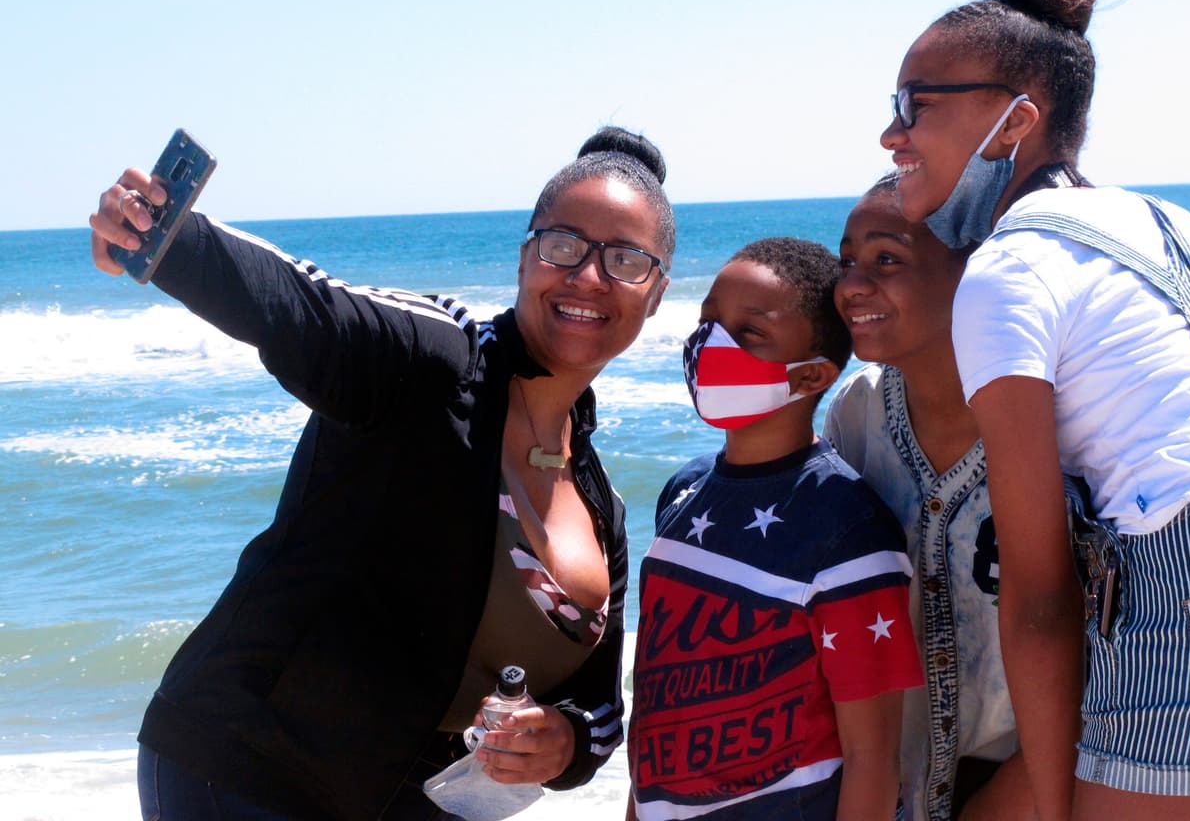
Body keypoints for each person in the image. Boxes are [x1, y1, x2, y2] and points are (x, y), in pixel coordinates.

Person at [88, 126, 675, 821]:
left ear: (656, 293)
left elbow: (600, 707)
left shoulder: (602, 506)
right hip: (248, 772)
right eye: (564, 245)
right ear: (526, 258)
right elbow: (303, 306)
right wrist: (167, 236)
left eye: (626, 260)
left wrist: (565, 740)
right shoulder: (435, 360)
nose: (588, 277)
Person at [879, 0, 1190, 821]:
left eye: (916, 104)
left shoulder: (1010, 269)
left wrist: (1054, 804)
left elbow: (1039, 597)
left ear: (1016, 121)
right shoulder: (1185, 231)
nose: (890, 132)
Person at [626, 237, 924, 821]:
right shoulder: (683, 490)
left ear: (810, 376)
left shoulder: (848, 528)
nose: (710, 343)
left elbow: (872, 759)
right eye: (708, 321)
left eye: (748, 333)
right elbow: (655, 720)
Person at [825, 178, 1066, 821]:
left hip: (1036, 785)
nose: (851, 285)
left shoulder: (1053, 418)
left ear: (974, 275)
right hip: (894, 787)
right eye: (847, 260)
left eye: (886, 259)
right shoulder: (857, 412)